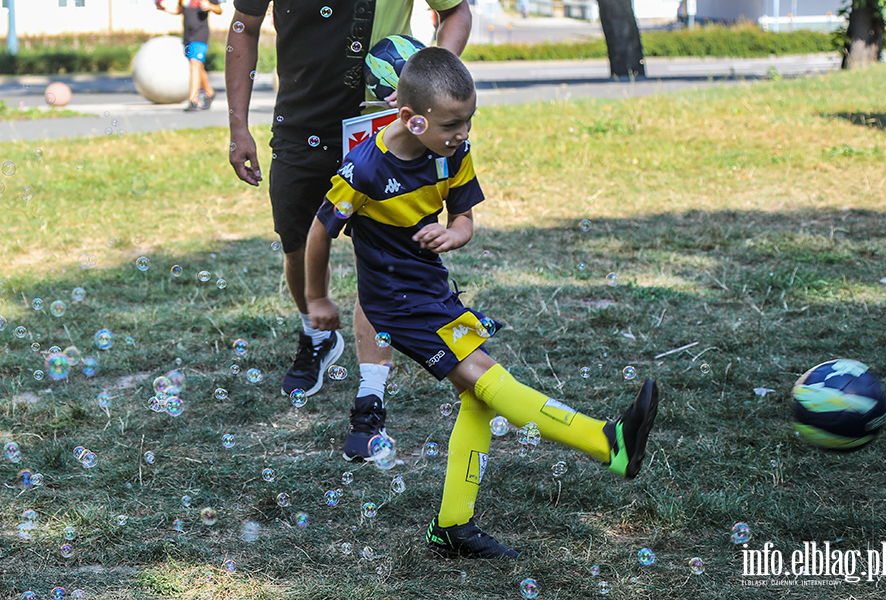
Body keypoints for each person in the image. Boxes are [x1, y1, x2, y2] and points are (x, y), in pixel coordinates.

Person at [305, 47, 661, 558]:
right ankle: (608, 443)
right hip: (396, 304)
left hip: (433, 290)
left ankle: (452, 525)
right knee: (489, 378)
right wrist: (317, 297)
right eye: (452, 123)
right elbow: (320, 234)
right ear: (411, 118)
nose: (462, 133)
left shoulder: (452, 150)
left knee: (477, 397)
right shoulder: (363, 168)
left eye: (468, 121)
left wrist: (454, 234)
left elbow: (465, 218)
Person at [225, 0, 472, 462]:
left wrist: (433, 89)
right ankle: (315, 335)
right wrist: (238, 126)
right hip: (302, 122)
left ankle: (370, 398)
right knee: (296, 242)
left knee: (378, 262)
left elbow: (456, 11)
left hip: (382, 126)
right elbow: (245, 28)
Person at [158, 0, 223, 111]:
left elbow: (219, 10)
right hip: (188, 36)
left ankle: (193, 100)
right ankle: (210, 92)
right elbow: (179, 11)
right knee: (197, 66)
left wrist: (210, 6)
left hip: (200, 34)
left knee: (194, 63)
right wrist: (164, 9)